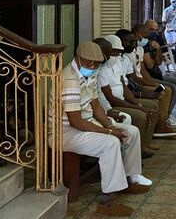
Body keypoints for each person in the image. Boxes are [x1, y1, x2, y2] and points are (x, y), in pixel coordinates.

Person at [54, 42, 152, 216]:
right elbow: (76, 121)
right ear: (78, 57)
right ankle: (106, 201)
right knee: (110, 143)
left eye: (96, 63)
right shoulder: (69, 79)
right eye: (88, 63)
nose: (92, 66)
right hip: (65, 131)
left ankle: (129, 179)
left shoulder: (89, 74)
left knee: (131, 132)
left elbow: (96, 105)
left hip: (85, 125)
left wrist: (110, 125)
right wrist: (108, 132)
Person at [97, 35, 167, 155]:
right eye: (114, 53)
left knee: (153, 107)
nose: (117, 56)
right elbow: (110, 98)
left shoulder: (118, 61)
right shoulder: (101, 69)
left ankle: (146, 143)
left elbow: (123, 86)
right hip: (113, 104)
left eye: (119, 53)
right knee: (140, 115)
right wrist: (137, 107)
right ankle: (138, 151)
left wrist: (136, 103)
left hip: (122, 99)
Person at [117, 28, 176, 137]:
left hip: (141, 82)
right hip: (135, 86)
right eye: (148, 32)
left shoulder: (137, 51)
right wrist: (146, 88)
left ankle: (164, 119)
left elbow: (152, 66)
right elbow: (135, 77)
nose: (134, 44)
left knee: (170, 87)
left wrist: (158, 48)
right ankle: (159, 124)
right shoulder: (126, 56)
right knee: (165, 90)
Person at [144, 19, 176, 127]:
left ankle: (168, 113)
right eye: (151, 29)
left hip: (156, 75)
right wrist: (154, 58)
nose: (154, 32)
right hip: (148, 78)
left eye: (156, 30)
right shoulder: (143, 45)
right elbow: (150, 65)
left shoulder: (155, 43)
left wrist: (157, 49)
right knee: (170, 87)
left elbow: (159, 61)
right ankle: (164, 117)